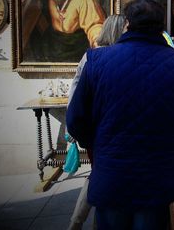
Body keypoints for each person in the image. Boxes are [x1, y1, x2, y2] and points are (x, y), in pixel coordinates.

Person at [66, 0, 174, 229]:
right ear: (163, 26)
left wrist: (103, 143)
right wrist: (170, 142)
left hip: (112, 175)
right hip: (159, 178)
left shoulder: (97, 60)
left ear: (127, 24)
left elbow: (75, 120)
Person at [67, 14, 127, 230]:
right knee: (98, 176)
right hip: (101, 128)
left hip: (96, 128)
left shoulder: (91, 56)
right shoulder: (101, 57)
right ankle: (79, 222)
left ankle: (84, 223)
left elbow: (74, 92)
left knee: (98, 175)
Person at [26, 0, 106, 62]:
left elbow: (94, 25)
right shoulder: (49, 0)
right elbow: (41, 23)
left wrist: (98, 44)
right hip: (53, 51)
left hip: (76, 51)